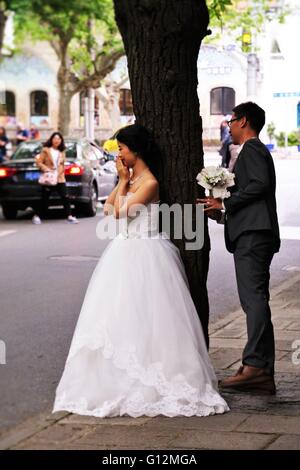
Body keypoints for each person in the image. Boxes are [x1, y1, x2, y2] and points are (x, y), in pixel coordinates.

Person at [53, 124, 229, 418]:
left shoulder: (149, 183)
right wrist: (122, 182)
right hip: (123, 251)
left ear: (135, 150)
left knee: (151, 318)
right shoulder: (132, 180)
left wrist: (123, 183)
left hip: (147, 252)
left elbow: (121, 212)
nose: (119, 154)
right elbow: (108, 208)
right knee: (119, 315)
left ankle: (154, 378)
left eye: (122, 148)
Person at [198, 102, 280, 395]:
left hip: (254, 236)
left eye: (231, 121)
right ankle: (259, 370)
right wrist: (221, 213)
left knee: (253, 299)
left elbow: (260, 185)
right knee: (256, 299)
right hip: (253, 232)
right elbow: (253, 193)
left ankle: (255, 366)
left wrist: (226, 203)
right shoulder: (251, 151)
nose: (228, 126)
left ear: (243, 121)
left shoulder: (253, 149)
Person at [33, 132, 78, 224]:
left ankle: (69, 216)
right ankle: (37, 216)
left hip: (59, 178)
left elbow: (62, 164)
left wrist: (60, 172)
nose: (56, 141)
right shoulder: (46, 150)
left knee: (65, 196)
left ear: (61, 141)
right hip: (49, 178)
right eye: (55, 138)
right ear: (51, 140)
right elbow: (39, 162)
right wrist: (46, 168)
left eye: (59, 139)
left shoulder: (62, 151)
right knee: (45, 198)